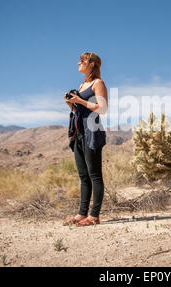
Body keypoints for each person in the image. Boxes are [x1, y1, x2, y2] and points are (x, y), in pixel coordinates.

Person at [63, 52, 108, 226]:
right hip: (79, 133)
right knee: (83, 175)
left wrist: (80, 102)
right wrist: (72, 106)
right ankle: (82, 214)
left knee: (94, 175)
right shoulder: (82, 85)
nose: (79, 62)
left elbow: (102, 108)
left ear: (92, 64)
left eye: (83, 60)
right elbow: (81, 112)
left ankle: (94, 216)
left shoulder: (98, 83)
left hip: (92, 132)